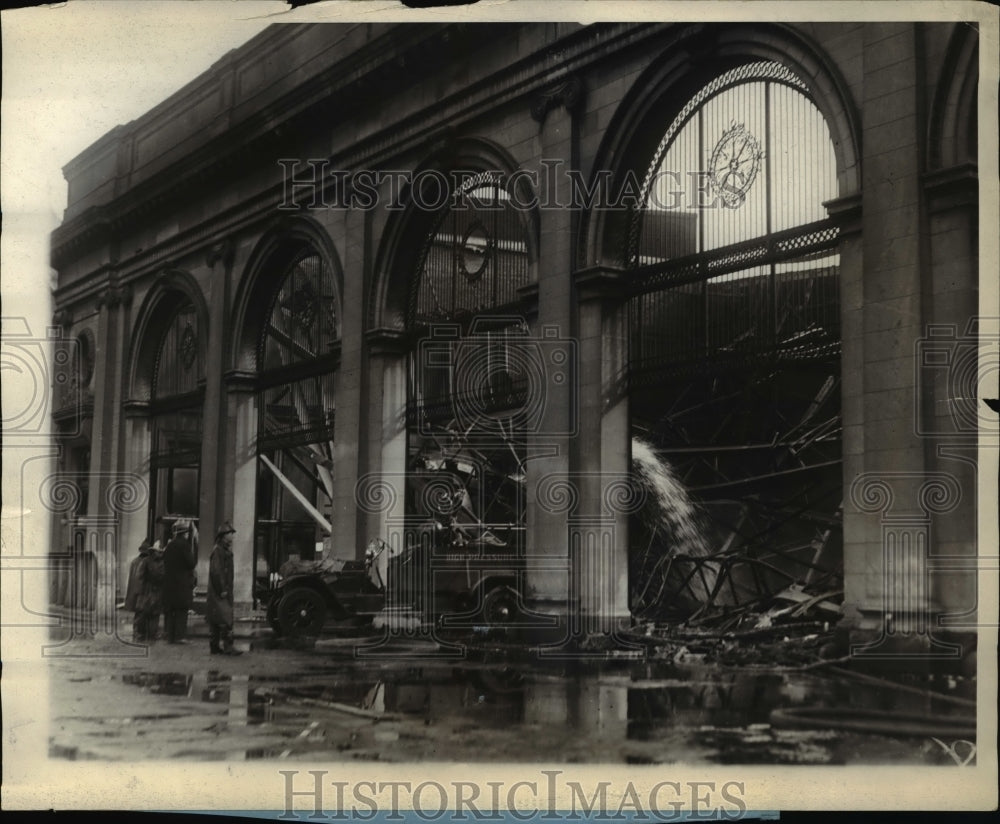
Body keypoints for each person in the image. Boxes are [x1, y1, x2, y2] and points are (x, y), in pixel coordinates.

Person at [207, 521, 241, 655]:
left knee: (217, 619)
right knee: (226, 618)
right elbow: (217, 571)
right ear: (223, 536)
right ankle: (228, 646)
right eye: (230, 533)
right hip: (220, 591)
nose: (232, 536)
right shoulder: (219, 551)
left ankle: (214, 646)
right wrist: (222, 589)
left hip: (219, 591)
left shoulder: (221, 550)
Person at [162, 518, 198, 644]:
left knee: (171, 611)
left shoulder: (170, 545)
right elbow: (191, 563)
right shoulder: (185, 545)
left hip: (170, 584)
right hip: (182, 584)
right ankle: (180, 636)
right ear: (185, 534)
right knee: (181, 612)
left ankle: (170, 636)